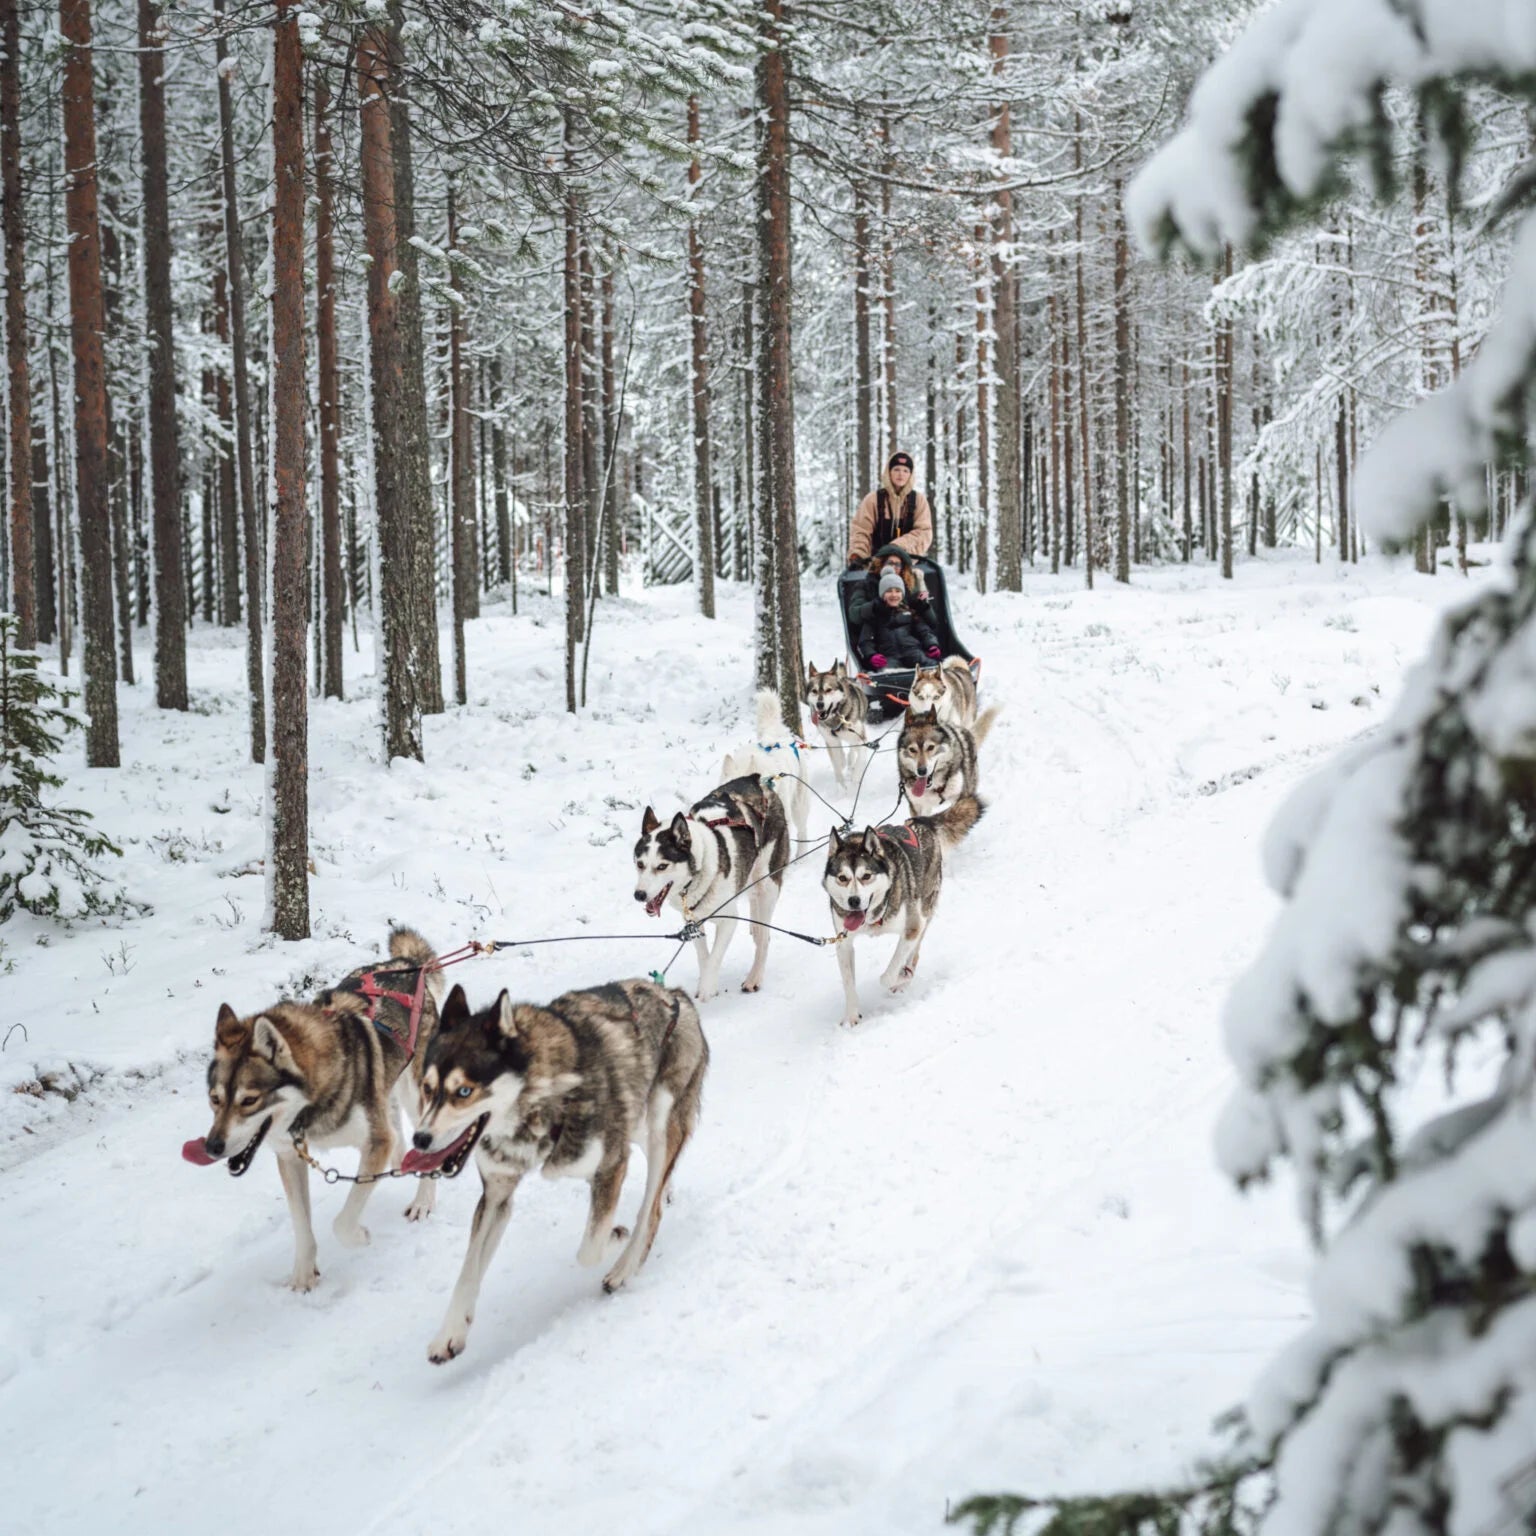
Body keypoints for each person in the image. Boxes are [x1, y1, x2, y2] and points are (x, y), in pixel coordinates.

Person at [848, 451, 933, 566]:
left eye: (905, 471)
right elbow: (861, 530)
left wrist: (897, 548)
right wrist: (858, 554)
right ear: (889, 472)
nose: (901, 474)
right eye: (896, 469)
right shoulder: (873, 499)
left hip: (909, 563)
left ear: (911, 474)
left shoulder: (919, 500)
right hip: (876, 564)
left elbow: (924, 533)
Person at [858, 569, 941, 672]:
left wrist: (932, 645)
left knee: (933, 667)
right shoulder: (874, 615)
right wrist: (872, 655)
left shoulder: (909, 612)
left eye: (897, 591)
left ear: (902, 595)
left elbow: (924, 631)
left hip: (913, 652)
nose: (894, 595)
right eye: (889, 591)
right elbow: (865, 641)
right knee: (886, 673)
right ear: (882, 594)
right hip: (889, 657)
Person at [847, 542, 932, 633]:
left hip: (909, 638)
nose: (893, 567)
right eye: (890, 563)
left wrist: (922, 599)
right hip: (879, 636)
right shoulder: (865, 586)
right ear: (881, 564)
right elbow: (854, 615)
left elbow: (931, 622)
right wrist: (875, 606)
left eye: (898, 565)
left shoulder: (908, 587)